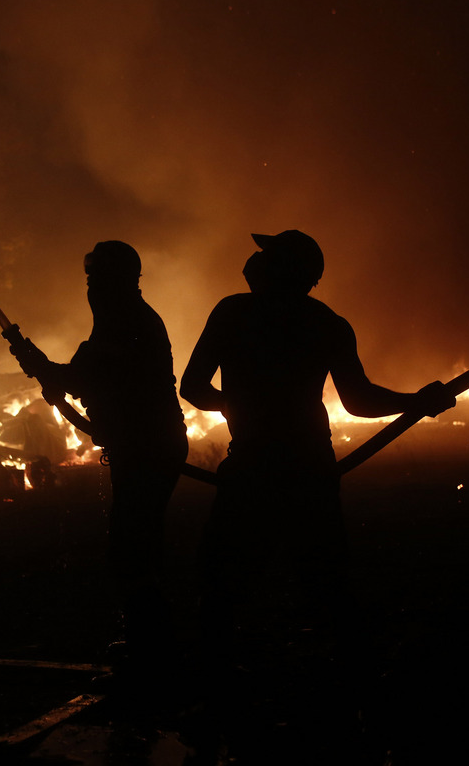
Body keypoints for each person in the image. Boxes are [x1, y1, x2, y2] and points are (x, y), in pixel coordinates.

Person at [180, 229, 454, 671]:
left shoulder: (234, 313)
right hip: (308, 465)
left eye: (265, 255)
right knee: (325, 576)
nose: (253, 261)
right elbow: (359, 400)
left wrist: (235, 404)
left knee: (225, 578)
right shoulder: (326, 323)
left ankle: (217, 674)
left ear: (281, 269)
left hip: (254, 464)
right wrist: (415, 402)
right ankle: (351, 670)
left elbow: (193, 387)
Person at [12, 240, 188, 700]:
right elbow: (83, 375)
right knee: (137, 543)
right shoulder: (122, 318)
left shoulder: (127, 322)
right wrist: (40, 365)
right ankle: (149, 642)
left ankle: (151, 653)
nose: (90, 287)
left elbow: (81, 377)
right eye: (89, 278)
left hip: (148, 447)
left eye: (97, 278)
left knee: (131, 547)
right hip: (144, 446)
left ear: (118, 280)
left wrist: (39, 364)